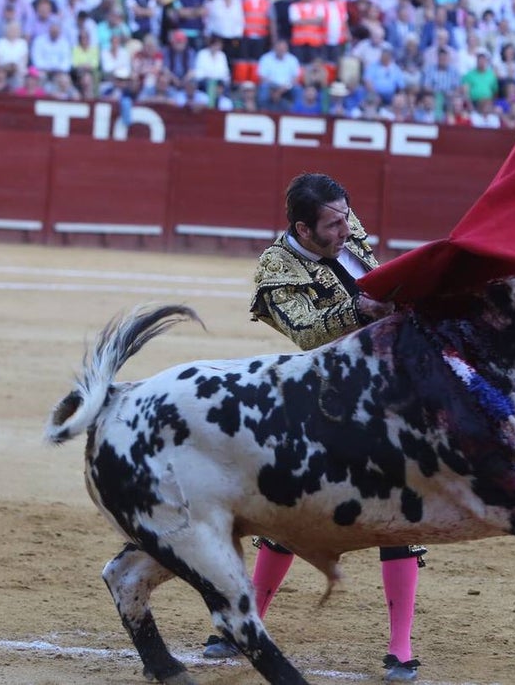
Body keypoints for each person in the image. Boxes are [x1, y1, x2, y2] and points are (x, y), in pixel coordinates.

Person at [206, 173, 424, 684]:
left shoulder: (344, 228)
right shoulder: (274, 268)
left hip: (389, 391)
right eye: (333, 222)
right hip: (325, 400)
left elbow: (382, 271)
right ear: (304, 229)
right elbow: (304, 332)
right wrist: (359, 308)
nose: (347, 227)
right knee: (294, 513)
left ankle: (400, 647)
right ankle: (246, 625)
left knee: (398, 511)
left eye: (347, 214)